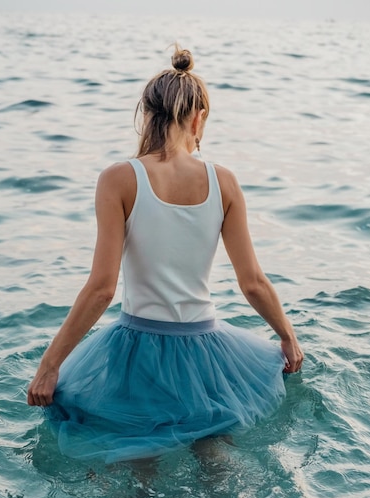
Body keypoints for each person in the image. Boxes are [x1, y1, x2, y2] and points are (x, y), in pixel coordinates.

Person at [27, 45, 303, 465]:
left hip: (136, 352)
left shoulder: (119, 179)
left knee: (140, 461)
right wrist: (287, 336)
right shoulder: (223, 182)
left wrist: (50, 364)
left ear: (147, 113)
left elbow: (101, 289)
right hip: (208, 354)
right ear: (198, 117)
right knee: (213, 453)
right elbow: (253, 283)